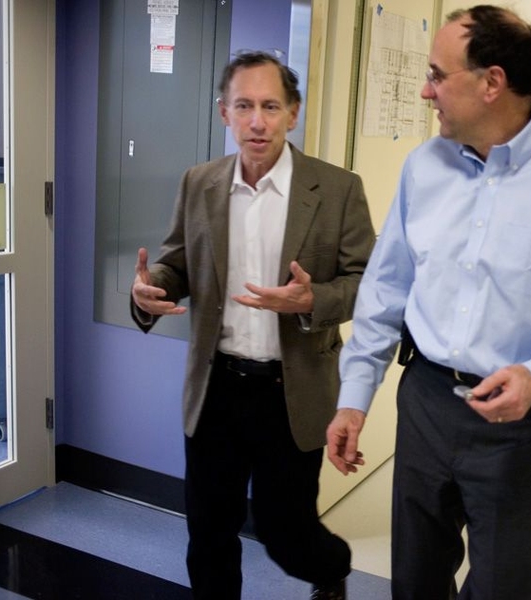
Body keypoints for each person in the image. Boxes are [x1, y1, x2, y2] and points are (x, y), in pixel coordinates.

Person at [325, 6, 531, 599]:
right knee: (416, 581)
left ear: (491, 82)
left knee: (505, 586)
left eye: (436, 75)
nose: (426, 91)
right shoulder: (424, 167)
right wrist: (355, 397)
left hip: (524, 423)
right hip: (425, 402)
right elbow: (386, 289)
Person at [130, 51, 375, 600]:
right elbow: (176, 264)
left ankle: (330, 567)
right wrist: (153, 290)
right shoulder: (200, 183)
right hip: (215, 388)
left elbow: (370, 282)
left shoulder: (337, 190)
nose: (257, 121)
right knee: (208, 532)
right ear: (224, 113)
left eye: (269, 106)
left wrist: (315, 299)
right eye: (244, 106)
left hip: (292, 392)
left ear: (293, 112)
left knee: (285, 533)